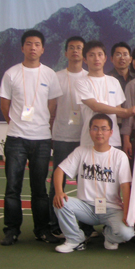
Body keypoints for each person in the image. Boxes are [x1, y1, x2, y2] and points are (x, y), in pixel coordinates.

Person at [0, 29, 63, 246]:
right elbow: (5, 105)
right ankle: (12, 230)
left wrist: (41, 125)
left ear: (42, 49)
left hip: (42, 139)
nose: (32, 48)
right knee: (12, 187)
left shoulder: (49, 74)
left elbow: (52, 106)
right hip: (16, 138)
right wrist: (16, 124)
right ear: (22, 48)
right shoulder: (11, 74)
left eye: (37, 44)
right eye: (28, 44)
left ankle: (42, 230)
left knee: (39, 189)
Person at [53, 114, 135, 253]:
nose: (99, 133)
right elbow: (59, 170)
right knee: (60, 202)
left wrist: (127, 212)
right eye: (95, 128)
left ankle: (109, 236)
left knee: (127, 234)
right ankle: (75, 239)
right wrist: (59, 192)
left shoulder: (119, 156)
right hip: (86, 207)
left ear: (111, 132)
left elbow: (125, 186)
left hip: (111, 208)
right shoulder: (81, 151)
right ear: (90, 131)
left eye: (104, 129)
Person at [49, 36, 87, 237]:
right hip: (62, 136)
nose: (75, 51)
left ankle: (85, 226)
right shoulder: (56, 77)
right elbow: (51, 109)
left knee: (86, 184)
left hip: (84, 138)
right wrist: (50, 133)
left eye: (79, 48)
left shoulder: (89, 77)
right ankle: (54, 224)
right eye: (71, 47)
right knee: (57, 182)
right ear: (65, 53)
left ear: (84, 53)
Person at [75, 41, 135, 149]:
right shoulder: (81, 82)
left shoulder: (114, 81)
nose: (96, 58)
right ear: (85, 59)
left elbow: (119, 112)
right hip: (90, 141)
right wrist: (125, 111)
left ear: (105, 58)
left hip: (113, 140)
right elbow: (95, 106)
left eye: (100, 55)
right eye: (92, 55)